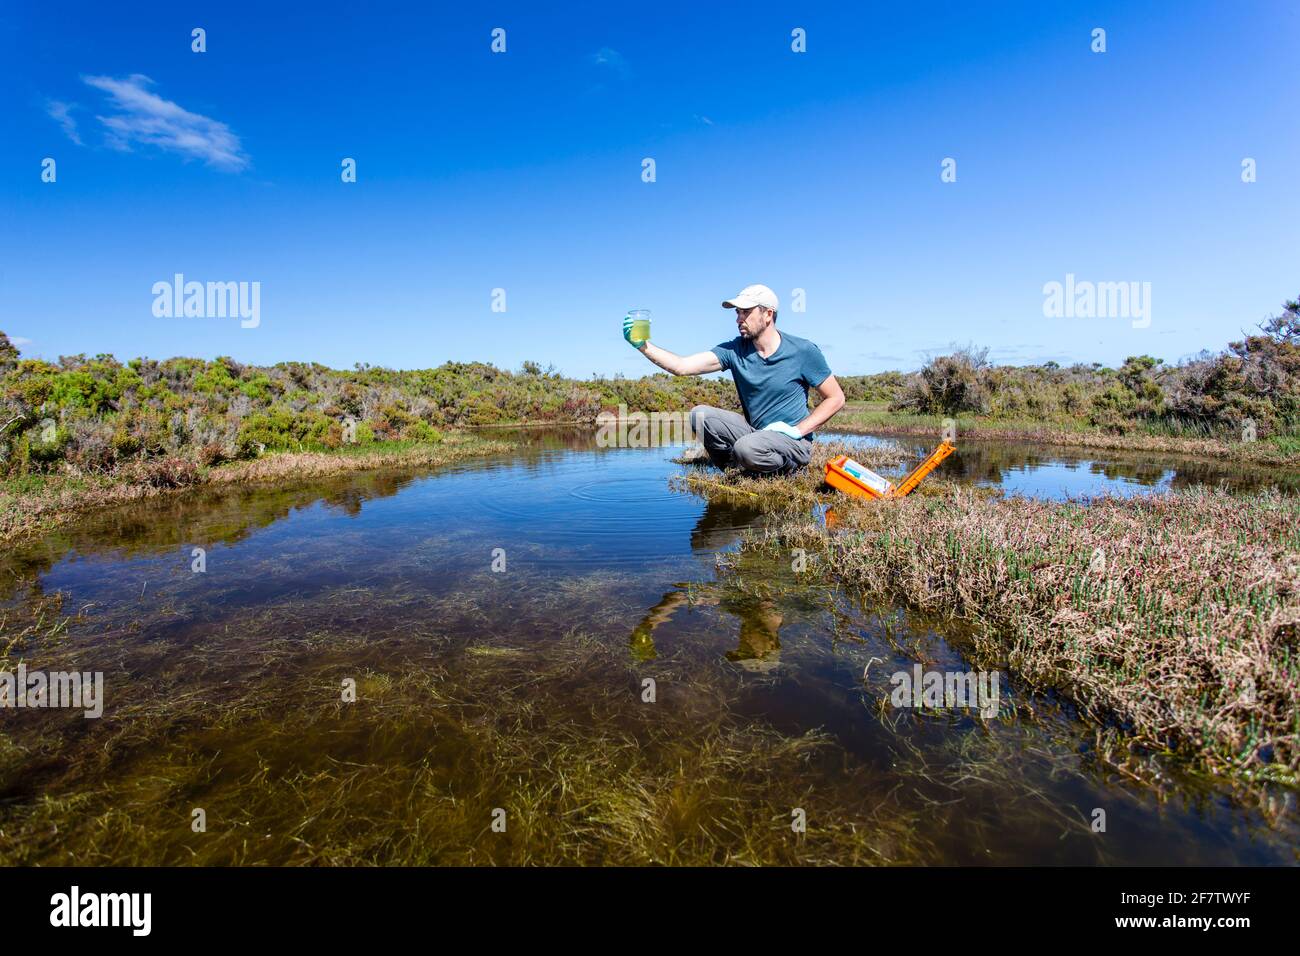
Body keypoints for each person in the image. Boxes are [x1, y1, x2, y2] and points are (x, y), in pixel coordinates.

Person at [623, 284, 844, 474]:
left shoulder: (803, 351)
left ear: (768, 314)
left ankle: (783, 469)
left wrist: (797, 430)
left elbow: (835, 398)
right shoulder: (735, 350)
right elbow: (682, 366)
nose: (738, 319)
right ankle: (736, 471)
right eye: (737, 312)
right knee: (700, 415)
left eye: (745, 312)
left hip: (792, 442)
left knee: (747, 448)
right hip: (755, 433)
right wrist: (643, 346)